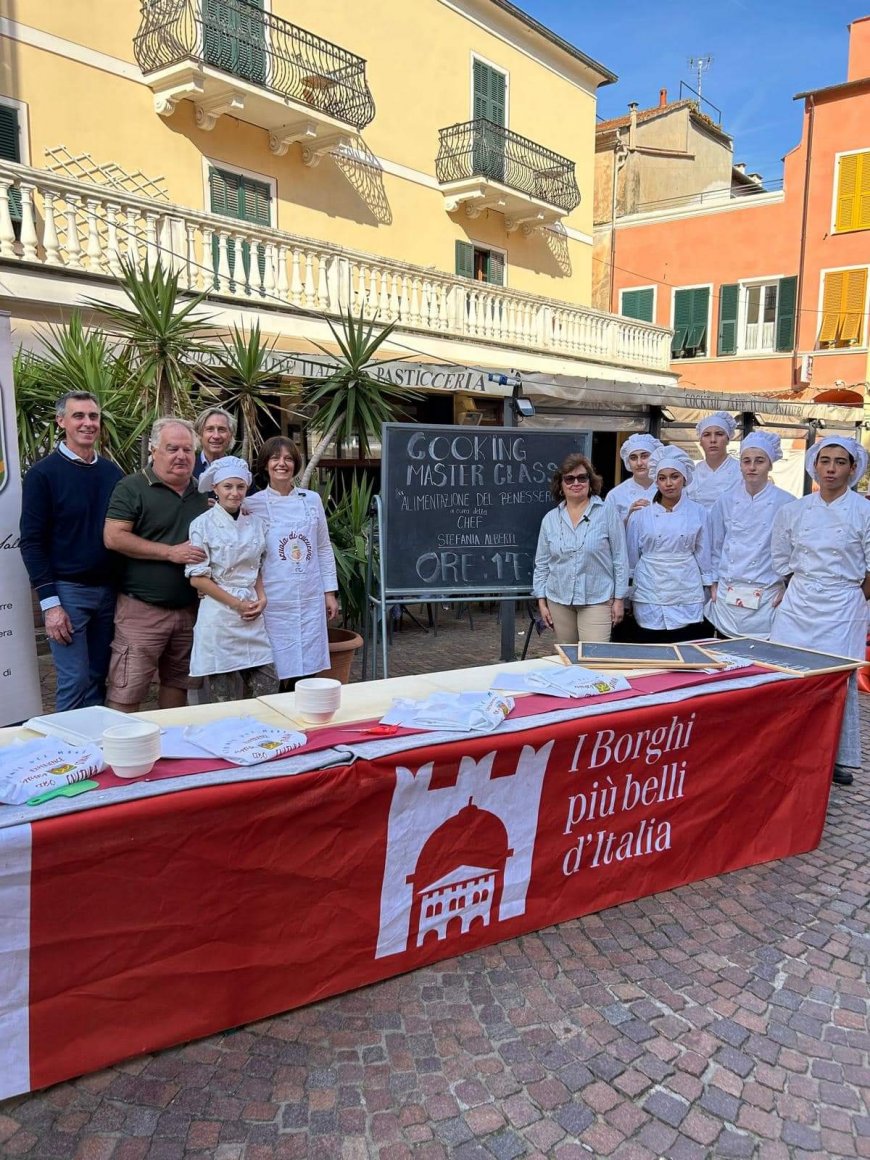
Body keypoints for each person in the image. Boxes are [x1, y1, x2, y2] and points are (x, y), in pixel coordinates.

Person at [770, 436, 870, 787]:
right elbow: (780, 557)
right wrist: (802, 585)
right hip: (799, 602)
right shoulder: (794, 511)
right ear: (814, 465)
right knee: (789, 673)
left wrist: (850, 593)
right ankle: (786, 746)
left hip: (843, 606)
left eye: (840, 462)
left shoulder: (865, 512)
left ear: (853, 468)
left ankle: (833, 756)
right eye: (824, 460)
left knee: (835, 681)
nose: (831, 468)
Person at [19, 391, 124, 710]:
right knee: (73, 682)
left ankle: (96, 754)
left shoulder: (112, 474)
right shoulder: (42, 475)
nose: (88, 423)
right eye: (79, 416)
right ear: (61, 421)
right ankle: (66, 754)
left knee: (96, 678)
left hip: (108, 594)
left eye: (93, 416)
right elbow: (31, 542)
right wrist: (51, 605)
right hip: (68, 594)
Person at [103, 417, 209, 711]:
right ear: (153, 450)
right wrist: (169, 552)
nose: (181, 456)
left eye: (187, 450)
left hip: (189, 611)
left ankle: (171, 751)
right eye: (172, 448)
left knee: (178, 686)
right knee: (127, 690)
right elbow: (113, 537)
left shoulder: (202, 494)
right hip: (142, 612)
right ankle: (120, 754)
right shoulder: (132, 487)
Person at [244, 436, 339, 685]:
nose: (281, 464)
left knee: (308, 666)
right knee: (274, 665)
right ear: (265, 464)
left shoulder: (312, 500)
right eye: (275, 458)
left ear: (296, 464)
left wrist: (329, 592)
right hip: (273, 598)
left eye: (288, 458)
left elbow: (322, 547)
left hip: (309, 593)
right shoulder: (251, 505)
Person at [185, 456, 278, 702]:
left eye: (240, 487)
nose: (235, 493)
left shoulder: (255, 523)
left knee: (267, 684)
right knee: (223, 697)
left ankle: (260, 734)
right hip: (219, 615)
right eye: (228, 486)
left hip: (251, 612)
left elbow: (256, 565)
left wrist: (262, 597)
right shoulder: (201, 525)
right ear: (215, 488)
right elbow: (198, 579)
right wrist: (236, 604)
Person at [705, 431, 796, 640]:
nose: (752, 467)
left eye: (759, 461)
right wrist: (713, 583)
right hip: (728, 593)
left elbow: (796, 553)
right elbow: (715, 546)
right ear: (740, 465)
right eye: (746, 461)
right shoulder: (725, 501)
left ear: (770, 464)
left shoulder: (787, 503)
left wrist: (789, 588)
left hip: (768, 596)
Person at [533, 453, 628, 644]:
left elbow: (620, 559)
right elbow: (542, 564)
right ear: (561, 484)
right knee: (569, 659)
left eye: (582, 477)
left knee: (595, 659)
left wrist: (619, 600)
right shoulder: (550, 519)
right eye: (569, 478)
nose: (576, 483)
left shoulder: (607, 513)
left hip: (597, 599)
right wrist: (541, 601)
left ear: (590, 482)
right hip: (559, 600)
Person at [626, 446, 713, 642]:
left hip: (686, 587)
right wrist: (627, 591)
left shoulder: (699, 512)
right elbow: (631, 557)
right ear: (656, 481)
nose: (668, 483)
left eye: (674, 477)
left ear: (685, 479)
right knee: (651, 645)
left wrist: (710, 586)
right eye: (662, 478)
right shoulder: (640, 516)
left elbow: (704, 552)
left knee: (687, 644)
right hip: (649, 588)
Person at [686, 411, 741, 509]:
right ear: (700, 441)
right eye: (707, 435)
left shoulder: (741, 471)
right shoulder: (692, 473)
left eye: (719, 434)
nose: (713, 440)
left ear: (728, 439)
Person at [604, 433, 664, 522]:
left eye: (644, 456)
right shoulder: (615, 495)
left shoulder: (666, 490)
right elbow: (608, 530)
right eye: (633, 458)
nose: (639, 463)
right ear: (627, 462)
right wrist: (628, 518)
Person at [192, 407, 236, 480]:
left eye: (222, 430)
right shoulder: (189, 468)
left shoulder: (240, 468)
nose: (216, 436)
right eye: (210, 429)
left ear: (230, 436)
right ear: (199, 434)